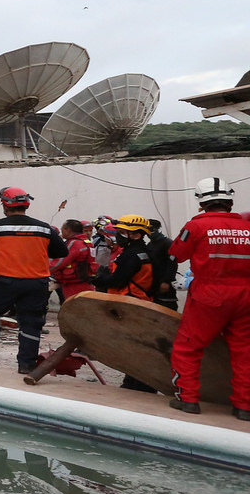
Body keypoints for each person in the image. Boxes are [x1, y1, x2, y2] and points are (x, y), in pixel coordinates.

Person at [168, 176, 250, 419]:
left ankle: (189, 400)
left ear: (201, 204)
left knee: (188, 348)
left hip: (209, 296)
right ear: (230, 203)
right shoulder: (247, 228)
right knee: (245, 351)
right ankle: (244, 407)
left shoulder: (195, 226)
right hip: (246, 296)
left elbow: (176, 255)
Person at [0, 187, 67, 373]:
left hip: (5, 281)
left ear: (5, 205)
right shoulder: (43, 227)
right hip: (36, 283)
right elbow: (61, 251)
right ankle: (27, 364)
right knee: (31, 322)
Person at [93, 215, 154, 300]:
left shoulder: (130, 254)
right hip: (141, 300)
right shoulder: (145, 250)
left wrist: (97, 279)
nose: (118, 235)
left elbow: (117, 281)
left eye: (122, 232)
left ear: (136, 235)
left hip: (128, 302)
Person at [50, 219, 96, 301]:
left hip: (73, 284)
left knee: (73, 309)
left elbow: (59, 262)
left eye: (62, 229)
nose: (61, 232)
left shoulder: (74, 243)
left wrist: (42, 271)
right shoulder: (86, 242)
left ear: (68, 230)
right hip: (85, 281)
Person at [145, 219, 179, 310]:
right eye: (146, 230)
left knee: (167, 309)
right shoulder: (150, 244)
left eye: (151, 229)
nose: (149, 233)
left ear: (158, 229)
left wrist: (166, 281)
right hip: (154, 284)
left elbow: (172, 264)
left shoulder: (167, 243)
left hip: (165, 285)